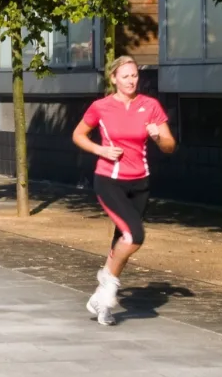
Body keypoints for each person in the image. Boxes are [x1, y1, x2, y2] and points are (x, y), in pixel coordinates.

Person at [72, 55, 176, 325]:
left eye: (134, 76)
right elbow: (78, 135)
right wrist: (101, 149)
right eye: (126, 76)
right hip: (109, 179)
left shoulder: (150, 106)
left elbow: (170, 147)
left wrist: (158, 137)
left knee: (123, 241)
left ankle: (102, 299)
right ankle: (108, 283)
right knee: (135, 235)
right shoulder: (101, 107)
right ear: (114, 78)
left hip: (140, 182)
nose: (131, 81)